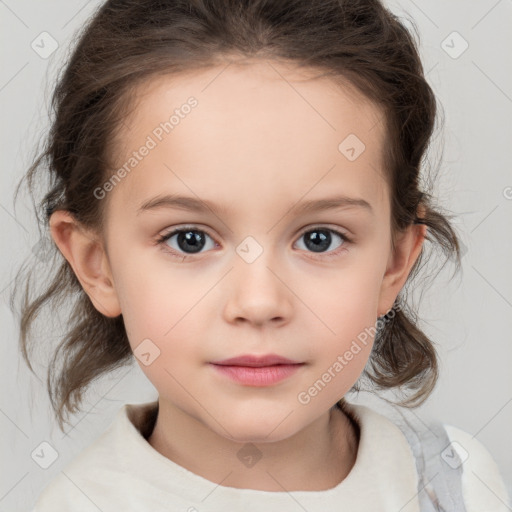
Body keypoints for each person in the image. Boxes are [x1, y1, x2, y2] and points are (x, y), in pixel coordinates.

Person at [11, 0, 509, 510]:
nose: (258, 302)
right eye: (190, 239)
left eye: (320, 238)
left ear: (394, 262)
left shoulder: (455, 483)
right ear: (98, 265)